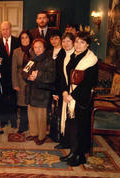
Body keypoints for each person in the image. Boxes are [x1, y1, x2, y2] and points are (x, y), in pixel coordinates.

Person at [59, 31, 98, 166]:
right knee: (72, 127)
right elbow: (66, 76)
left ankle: (80, 155)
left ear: (87, 44)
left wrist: (72, 95)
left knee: (80, 128)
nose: (78, 45)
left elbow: (88, 83)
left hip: (82, 99)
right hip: (69, 96)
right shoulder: (73, 56)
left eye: (82, 42)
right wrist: (64, 92)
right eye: (76, 42)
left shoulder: (91, 60)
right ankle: (73, 151)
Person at [23, 38, 56, 145]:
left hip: (42, 93)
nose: (37, 49)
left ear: (44, 48)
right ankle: (34, 134)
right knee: (31, 114)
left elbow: (51, 77)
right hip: (31, 92)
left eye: (40, 47)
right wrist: (29, 77)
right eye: (35, 47)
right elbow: (24, 73)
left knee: (41, 116)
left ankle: (41, 136)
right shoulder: (32, 60)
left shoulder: (49, 60)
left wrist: (38, 75)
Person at [53, 32, 75, 148]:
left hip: (73, 93)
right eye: (64, 41)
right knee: (62, 116)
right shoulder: (61, 54)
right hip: (62, 91)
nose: (66, 44)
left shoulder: (76, 56)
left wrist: (69, 92)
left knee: (71, 117)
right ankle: (64, 140)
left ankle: (71, 141)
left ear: (73, 42)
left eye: (68, 41)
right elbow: (58, 75)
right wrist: (56, 92)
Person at [0, 21, 20, 129]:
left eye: (7, 29)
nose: (5, 31)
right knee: (3, 99)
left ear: (10, 29)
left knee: (13, 99)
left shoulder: (17, 41)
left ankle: (13, 119)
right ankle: (4, 120)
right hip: (2, 76)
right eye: (3, 29)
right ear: (0, 31)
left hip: (15, 76)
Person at [12, 30, 33, 134]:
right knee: (23, 105)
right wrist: (15, 84)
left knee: (32, 105)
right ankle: (23, 126)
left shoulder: (34, 50)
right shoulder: (16, 51)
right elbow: (13, 69)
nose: (25, 40)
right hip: (21, 82)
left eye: (26, 37)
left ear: (30, 39)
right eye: (22, 38)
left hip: (33, 81)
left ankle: (33, 126)